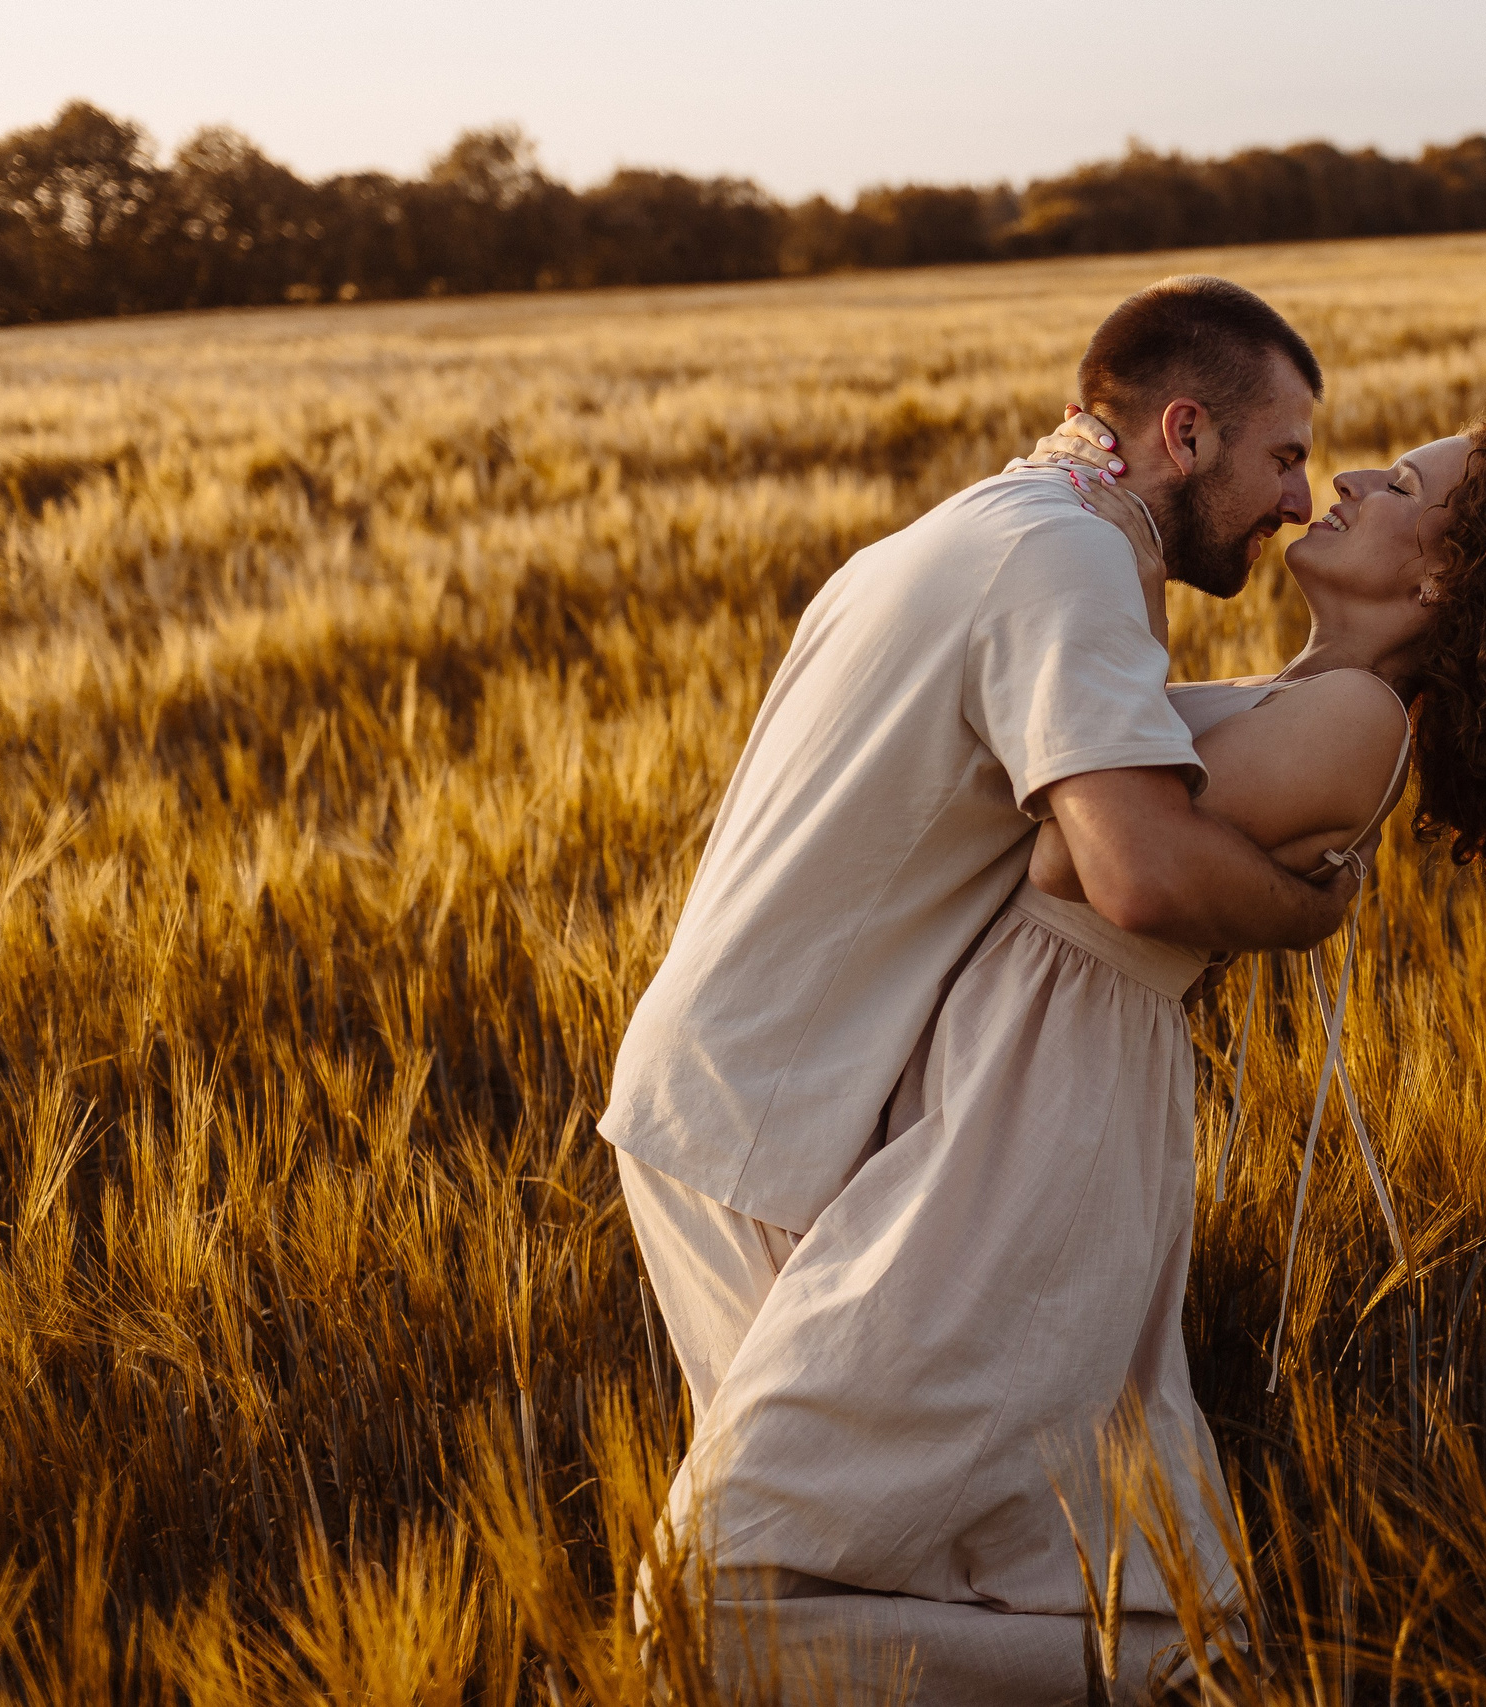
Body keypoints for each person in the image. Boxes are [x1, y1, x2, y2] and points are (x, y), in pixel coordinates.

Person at [627, 377, 1486, 1700]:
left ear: (1442, 586)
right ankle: (1159, 1663)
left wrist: (1260, 888)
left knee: (712, 1601)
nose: (1349, 484)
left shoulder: (1352, 722)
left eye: (1404, 490)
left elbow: (1086, 857)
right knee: (927, 1542)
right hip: (1001, 1101)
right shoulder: (1293, 696)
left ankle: (1165, 1673)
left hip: (1024, 1140)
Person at [602, 276, 1360, 1698]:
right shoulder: (1065, 565)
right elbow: (1132, 866)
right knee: (783, 1587)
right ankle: (1165, 1679)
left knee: (849, 1558)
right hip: (792, 1120)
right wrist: (1307, 914)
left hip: (725, 1095)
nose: (1300, 498)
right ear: (1182, 432)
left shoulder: (975, 530)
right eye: (1283, 454)